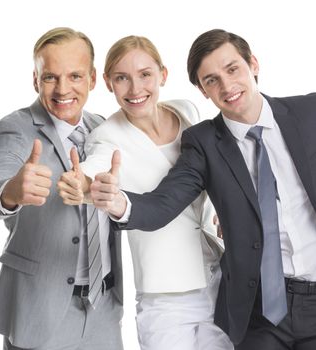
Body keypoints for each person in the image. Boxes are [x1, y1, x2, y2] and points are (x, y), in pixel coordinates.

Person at [90, 29, 316, 350]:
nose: (226, 86)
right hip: (261, 313)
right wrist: (119, 203)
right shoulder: (204, 142)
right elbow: (164, 203)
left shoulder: (309, 113)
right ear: (202, 90)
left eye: (232, 69)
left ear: (253, 64)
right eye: (211, 80)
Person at [57, 35, 232, 349]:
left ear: (163, 75)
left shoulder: (187, 112)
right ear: (109, 83)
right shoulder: (107, 136)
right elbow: (94, 172)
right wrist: (83, 185)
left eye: (145, 75)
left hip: (221, 278)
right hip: (166, 298)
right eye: (122, 78)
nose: (136, 89)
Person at [0, 27, 123, 350]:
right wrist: (11, 191)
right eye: (50, 77)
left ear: (92, 79)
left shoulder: (106, 129)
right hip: (41, 312)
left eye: (74, 76)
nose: (62, 89)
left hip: (105, 312)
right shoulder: (14, 128)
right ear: (35, 79)